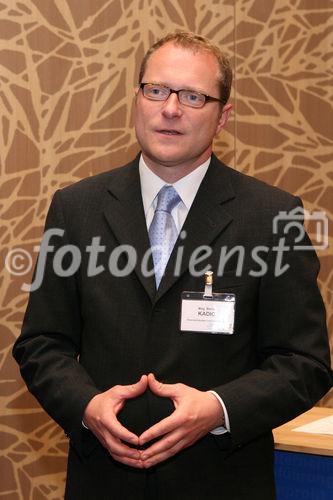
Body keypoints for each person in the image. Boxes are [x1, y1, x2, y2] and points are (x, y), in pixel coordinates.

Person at [13, 31, 332, 500]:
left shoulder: (271, 217)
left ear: (223, 116)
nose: (170, 109)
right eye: (156, 90)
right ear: (137, 98)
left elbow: (304, 363)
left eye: (193, 96)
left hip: (221, 482)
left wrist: (218, 408)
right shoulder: (75, 208)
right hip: (103, 482)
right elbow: (42, 343)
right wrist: (86, 405)